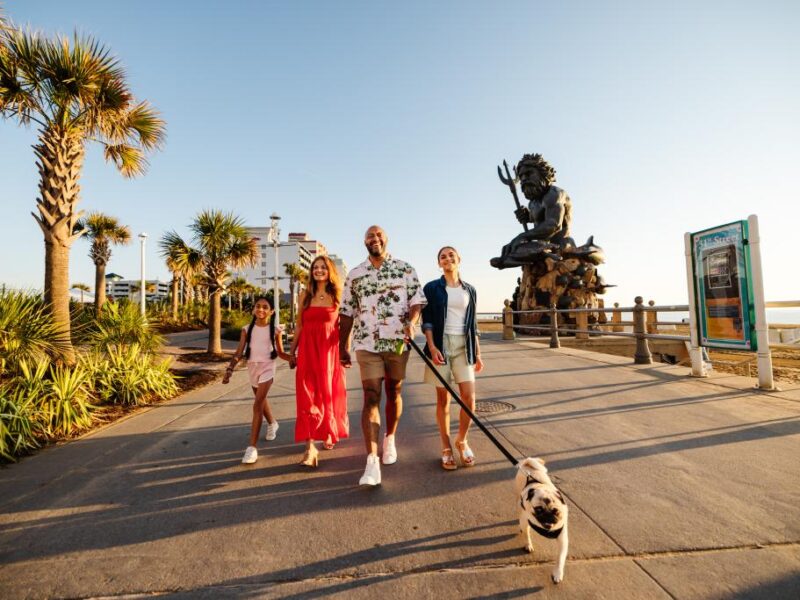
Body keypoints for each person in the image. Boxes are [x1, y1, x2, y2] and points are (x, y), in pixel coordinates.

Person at [339, 225, 426, 486]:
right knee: (371, 396)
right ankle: (372, 461)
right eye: (369, 236)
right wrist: (343, 345)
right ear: (364, 242)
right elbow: (346, 311)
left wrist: (412, 321)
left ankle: (390, 438)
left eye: (378, 236)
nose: (374, 239)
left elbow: (417, 301)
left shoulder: (405, 268)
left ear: (386, 239)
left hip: (398, 341)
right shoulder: (355, 274)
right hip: (367, 343)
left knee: (394, 390)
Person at [422, 246, 483, 469]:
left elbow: (473, 324)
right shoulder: (431, 288)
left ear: (459, 260)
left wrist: (477, 352)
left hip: (463, 346)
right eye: (442, 257)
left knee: (469, 397)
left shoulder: (470, 290)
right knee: (443, 399)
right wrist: (431, 346)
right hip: (441, 344)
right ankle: (446, 446)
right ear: (439, 263)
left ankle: (462, 440)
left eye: (451, 255)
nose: (447, 259)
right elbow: (427, 320)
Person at [288, 255, 349, 468]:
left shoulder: (338, 295)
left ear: (330, 271)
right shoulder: (305, 295)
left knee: (328, 393)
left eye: (323, 267)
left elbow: (345, 326)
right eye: (316, 267)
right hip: (307, 350)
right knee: (307, 396)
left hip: (329, 351)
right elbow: (299, 326)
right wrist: (292, 351)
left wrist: (345, 351)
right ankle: (310, 446)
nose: (319, 270)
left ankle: (329, 430)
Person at [223, 297, 291, 464]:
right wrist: (230, 369)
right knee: (260, 400)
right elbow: (239, 352)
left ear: (271, 311)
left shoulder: (275, 330)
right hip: (252, 368)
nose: (261, 309)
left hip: (268, 367)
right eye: (258, 306)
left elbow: (281, 353)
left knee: (257, 403)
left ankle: (251, 448)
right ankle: (273, 423)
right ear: (254, 309)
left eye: (265, 307)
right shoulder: (247, 329)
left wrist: (294, 358)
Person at [491, 153, 575, 269]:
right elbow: (537, 219)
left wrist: (522, 236)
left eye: (529, 174)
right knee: (506, 252)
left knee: (519, 247)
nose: (524, 179)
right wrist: (526, 217)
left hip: (561, 246)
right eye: (521, 176)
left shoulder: (554, 194)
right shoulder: (533, 203)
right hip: (541, 246)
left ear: (542, 174)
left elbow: (553, 225)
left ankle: (533, 257)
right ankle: (532, 257)